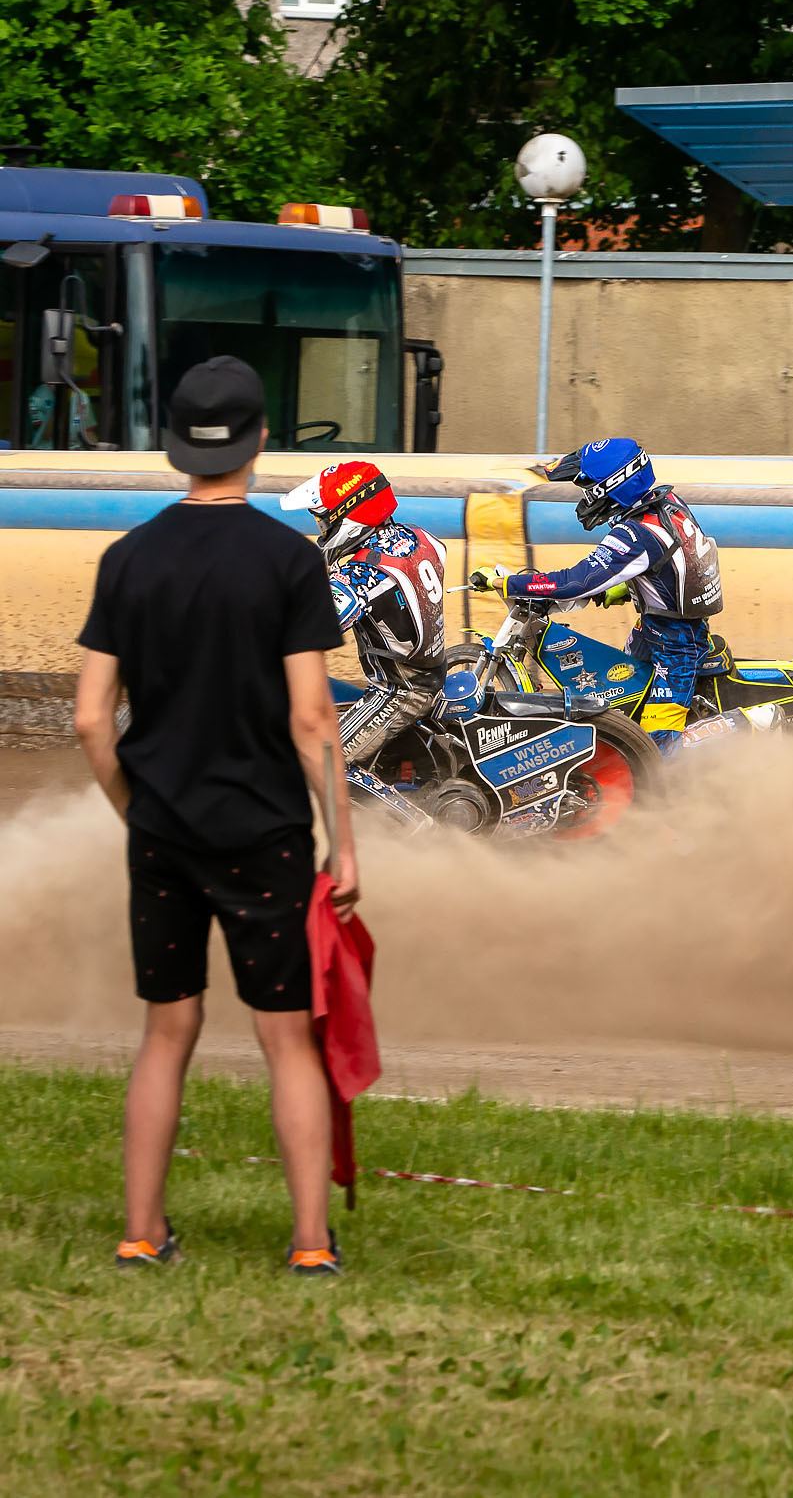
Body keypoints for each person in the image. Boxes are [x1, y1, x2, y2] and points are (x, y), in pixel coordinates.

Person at [72, 355, 357, 1278]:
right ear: (261, 440)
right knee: (285, 1036)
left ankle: (140, 1231)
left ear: (175, 448)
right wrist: (342, 841)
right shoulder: (288, 559)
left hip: (162, 832)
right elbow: (311, 716)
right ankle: (310, 1243)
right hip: (265, 833)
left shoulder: (128, 558)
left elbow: (87, 717)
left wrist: (134, 810)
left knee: (167, 1029)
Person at [474, 438, 722, 752]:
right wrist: (625, 586)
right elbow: (671, 563)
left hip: (675, 646)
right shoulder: (667, 502)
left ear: (615, 484)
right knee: (624, 713)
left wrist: (509, 583)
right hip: (655, 630)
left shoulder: (636, 533)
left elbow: (577, 581)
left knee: (654, 752)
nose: (588, 497)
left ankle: (753, 725)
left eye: (591, 488)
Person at [283, 461, 447, 804]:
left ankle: (422, 833)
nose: (321, 528)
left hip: (400, 691)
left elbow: (311, 624)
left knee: (323, 762)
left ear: (351, 514)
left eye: (324, 518)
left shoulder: (365, 573)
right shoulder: (417, 536)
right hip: (428, 672)